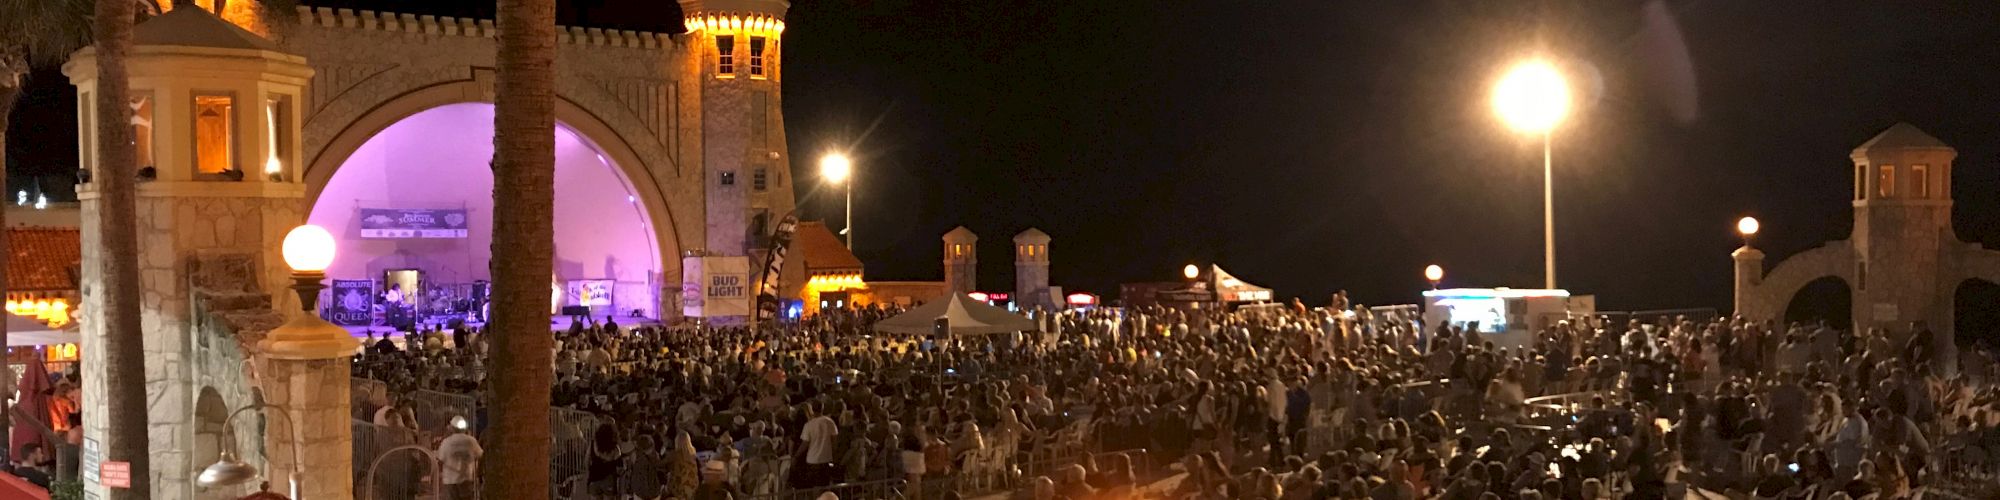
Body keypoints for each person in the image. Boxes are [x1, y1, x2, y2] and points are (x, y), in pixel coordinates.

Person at [437, 417, 483, 500]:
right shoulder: (471, 441)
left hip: (449, 480)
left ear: (452, 428)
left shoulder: (446, 442)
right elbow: (480, 455)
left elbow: (440, 460)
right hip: (466, 479)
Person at [799, 401, 841, 488]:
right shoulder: (830, 422)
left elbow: (805, 443)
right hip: (826, 458)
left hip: (813, 459)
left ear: (812, 410)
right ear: (822, 408)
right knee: (826, 486)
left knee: (815, 487)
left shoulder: (809, 425)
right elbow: (835, 441)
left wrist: (796, 455)